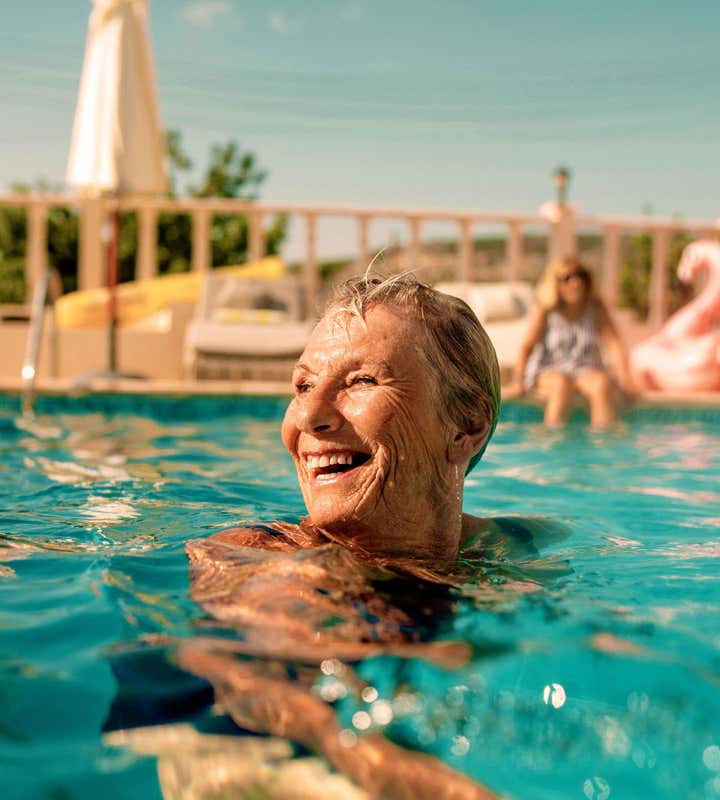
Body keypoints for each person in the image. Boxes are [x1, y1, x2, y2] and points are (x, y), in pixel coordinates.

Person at [505, 256, 635, 428]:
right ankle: (553, 442)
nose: (576, 282)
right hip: (550, 371)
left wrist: (625, 379)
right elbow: (527, 347)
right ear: (555, 283)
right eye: (567, 278)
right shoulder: (546, 309)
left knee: (602, 384)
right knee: (561, 383)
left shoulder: (595, 307)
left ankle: (604, 445)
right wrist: (518, 381)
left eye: (581, 276)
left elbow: (614, 344)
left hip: (587, 370)